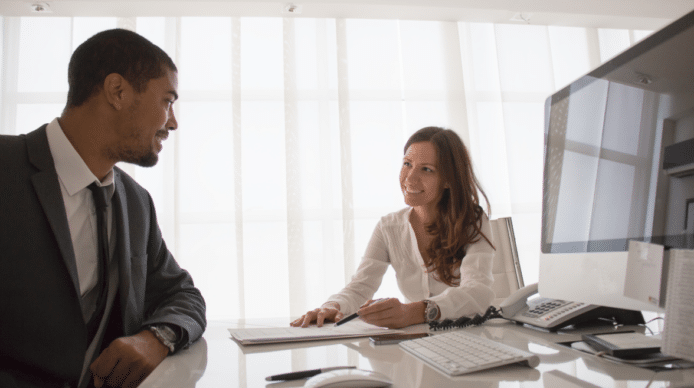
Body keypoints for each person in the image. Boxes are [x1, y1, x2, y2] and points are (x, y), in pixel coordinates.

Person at [0, 29, 206, 388]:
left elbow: (183, 295)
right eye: (167, 100)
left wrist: (155, 338)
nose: (173, 122)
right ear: (118, 91)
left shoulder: (136, 202)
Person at [291, 126, 495, 329]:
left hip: (471, 335)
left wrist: (414, 312)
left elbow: (477, 291)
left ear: (449, 180)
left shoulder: (472, 221)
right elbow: (361, 286)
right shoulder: (389, 227)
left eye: (426, 169)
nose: (410, 178)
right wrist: (332, 306)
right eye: (407, 164)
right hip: (418, 340)